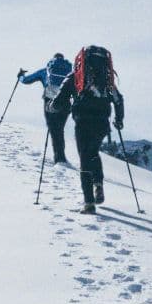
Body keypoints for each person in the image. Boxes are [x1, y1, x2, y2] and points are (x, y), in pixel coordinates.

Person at [50, 46, 124, 214]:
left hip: (83, 122)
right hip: (102, 123)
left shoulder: (76, 76)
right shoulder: (106, 79)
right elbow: (119, 100)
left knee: (85, 158)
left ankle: (89, 202)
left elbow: (59, 99)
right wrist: (118, 120)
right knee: (93, 153)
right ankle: (98, 184)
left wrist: (53, 107)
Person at [17, 53, 74, 164]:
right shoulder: (70, 72)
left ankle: (60, 158)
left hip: (50, 102)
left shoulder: (46, 70)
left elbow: (27, 80)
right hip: (66, 103)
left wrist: (20, 76)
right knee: (59, 129)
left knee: (54, 129)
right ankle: (61, 157)